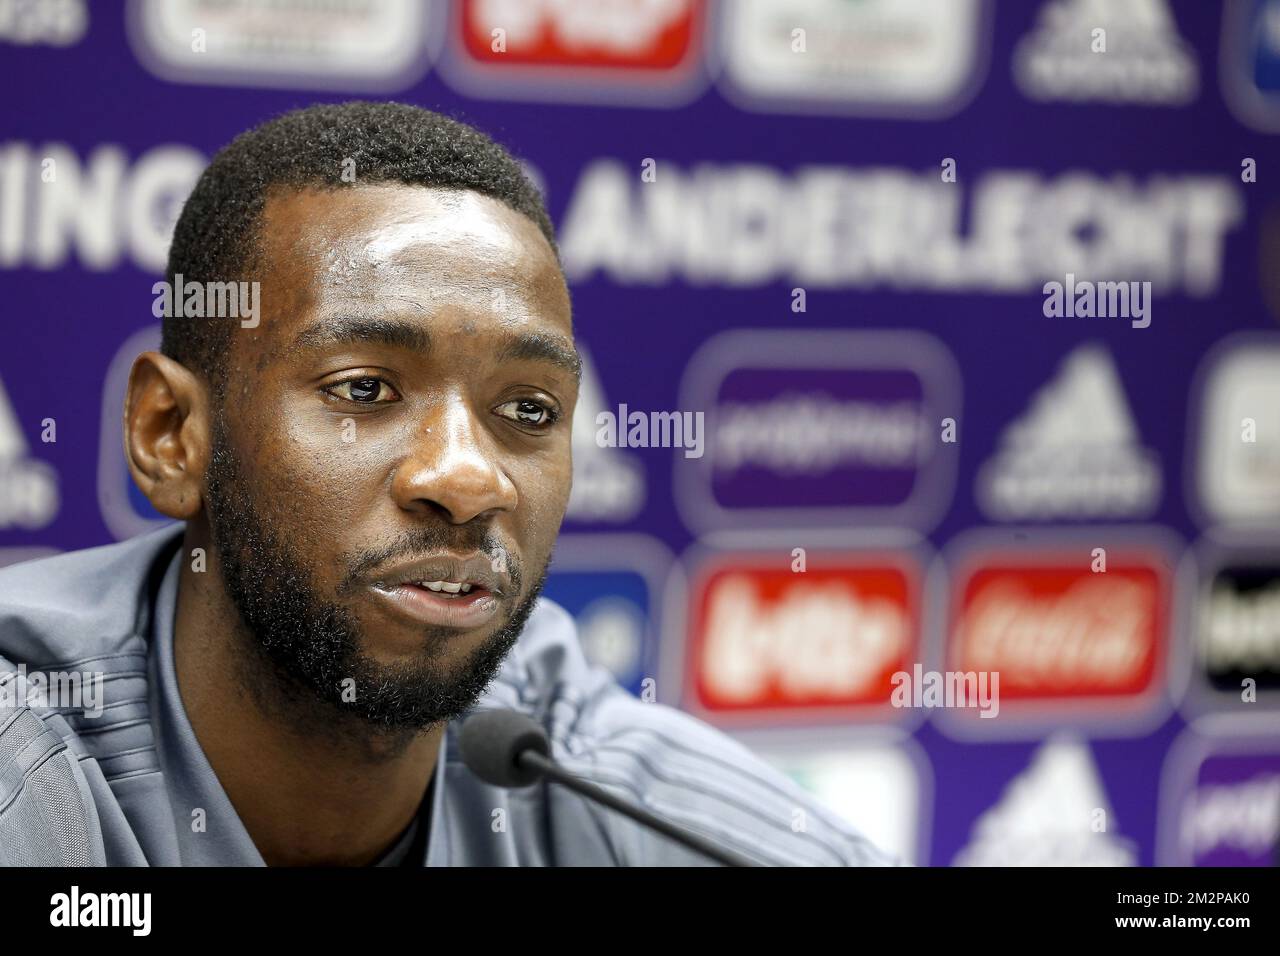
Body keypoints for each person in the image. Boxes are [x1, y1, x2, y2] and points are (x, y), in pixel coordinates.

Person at [0, 101, 895, 867]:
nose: (467, 480)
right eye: (364, 390)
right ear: (172, 436)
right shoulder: (30, 760)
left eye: (530, 411)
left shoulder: (565, 760)